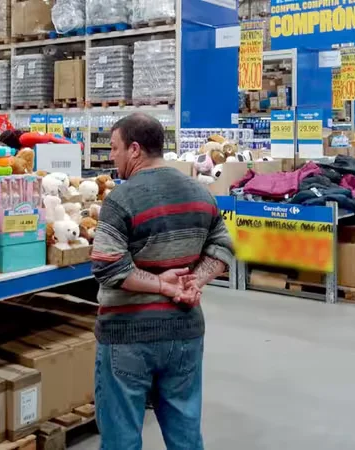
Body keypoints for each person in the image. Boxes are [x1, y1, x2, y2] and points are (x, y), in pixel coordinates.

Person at [91, 113, 234, 449]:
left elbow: (108, 266)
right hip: (184, 331)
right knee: (185, 435)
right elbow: (223, 247)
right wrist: (195, 281)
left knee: (121, 438)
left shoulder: (121, 199)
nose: (112, 156)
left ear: (135, 149)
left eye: (115, 148)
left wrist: (161, 285)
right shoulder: (200, 193)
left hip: (127, 334)